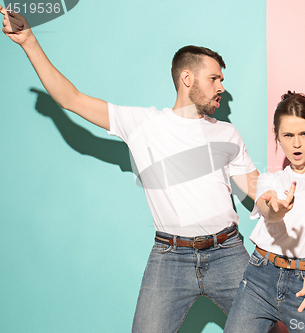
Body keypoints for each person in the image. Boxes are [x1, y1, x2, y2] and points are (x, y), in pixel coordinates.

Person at [1, 7, 264, 333]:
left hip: (227, 253)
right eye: (214, 78)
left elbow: (252, 186)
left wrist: (286, 195)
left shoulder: (227, 133)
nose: (221, 87)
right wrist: (28, 41)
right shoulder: (143, 124)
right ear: (187, 78)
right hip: (171, 258)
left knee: (265, 327)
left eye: (222, 80)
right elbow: (71, 99)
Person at [224, 91, 305, 333]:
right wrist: (276, 210)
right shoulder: (271, 179)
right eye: (288, 135)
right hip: (259, 277)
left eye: (304, 134)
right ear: (278, 137)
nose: (296, 143)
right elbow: (266, 209)